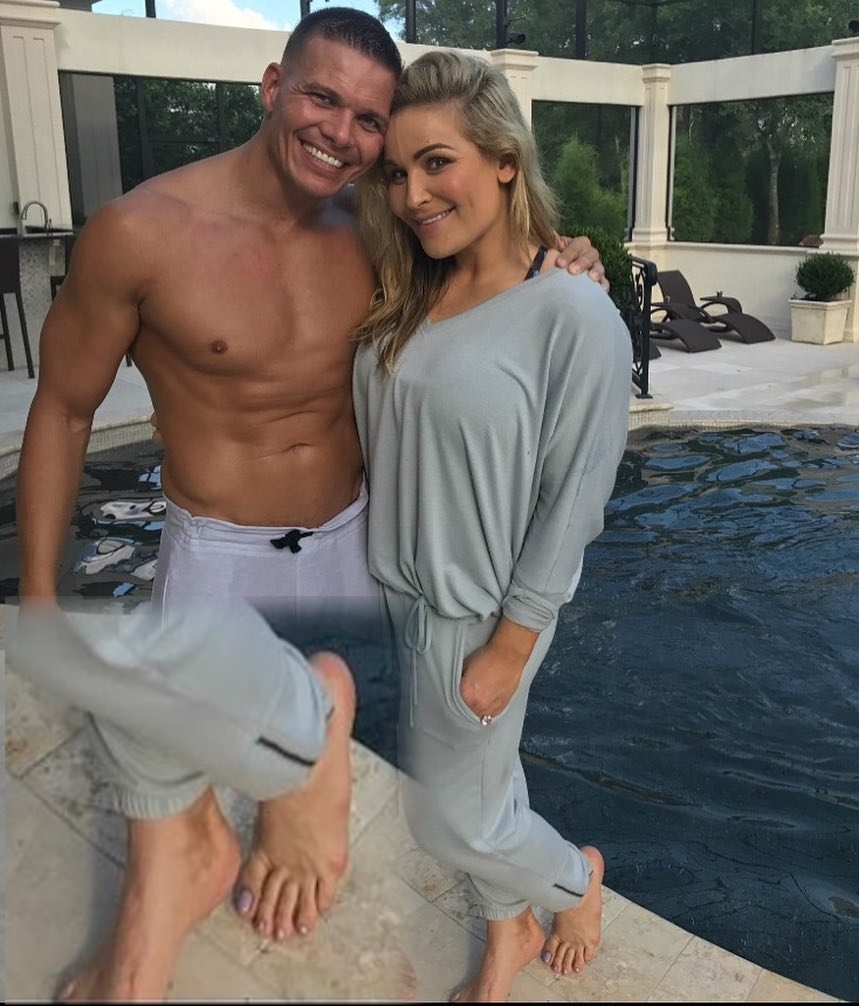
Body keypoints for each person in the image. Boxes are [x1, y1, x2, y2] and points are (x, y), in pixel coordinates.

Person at [14, 7, 605, 1001]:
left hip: (358, 544)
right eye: (322, 98)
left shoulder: (383, 228)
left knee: (448, 774)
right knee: (160, 711)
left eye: (369, 120)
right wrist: (39, 599)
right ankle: (206, 844)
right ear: (272, 86)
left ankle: (327, 798)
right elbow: (65, 410)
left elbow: (498, 253)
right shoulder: (143, 232)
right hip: (221, 544)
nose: (342, 132)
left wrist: (564, 259)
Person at [351, 50, 633, 1002]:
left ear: (505, 159)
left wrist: (511, 645)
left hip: (482, 614)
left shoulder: (571, 314)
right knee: (478, 787)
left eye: (439, 163)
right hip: (402, 595)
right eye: (398, 172)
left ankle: (574, 882)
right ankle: (508, 928)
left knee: (453, 818)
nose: (414, 194)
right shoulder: (411, 288)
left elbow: (576, 496)